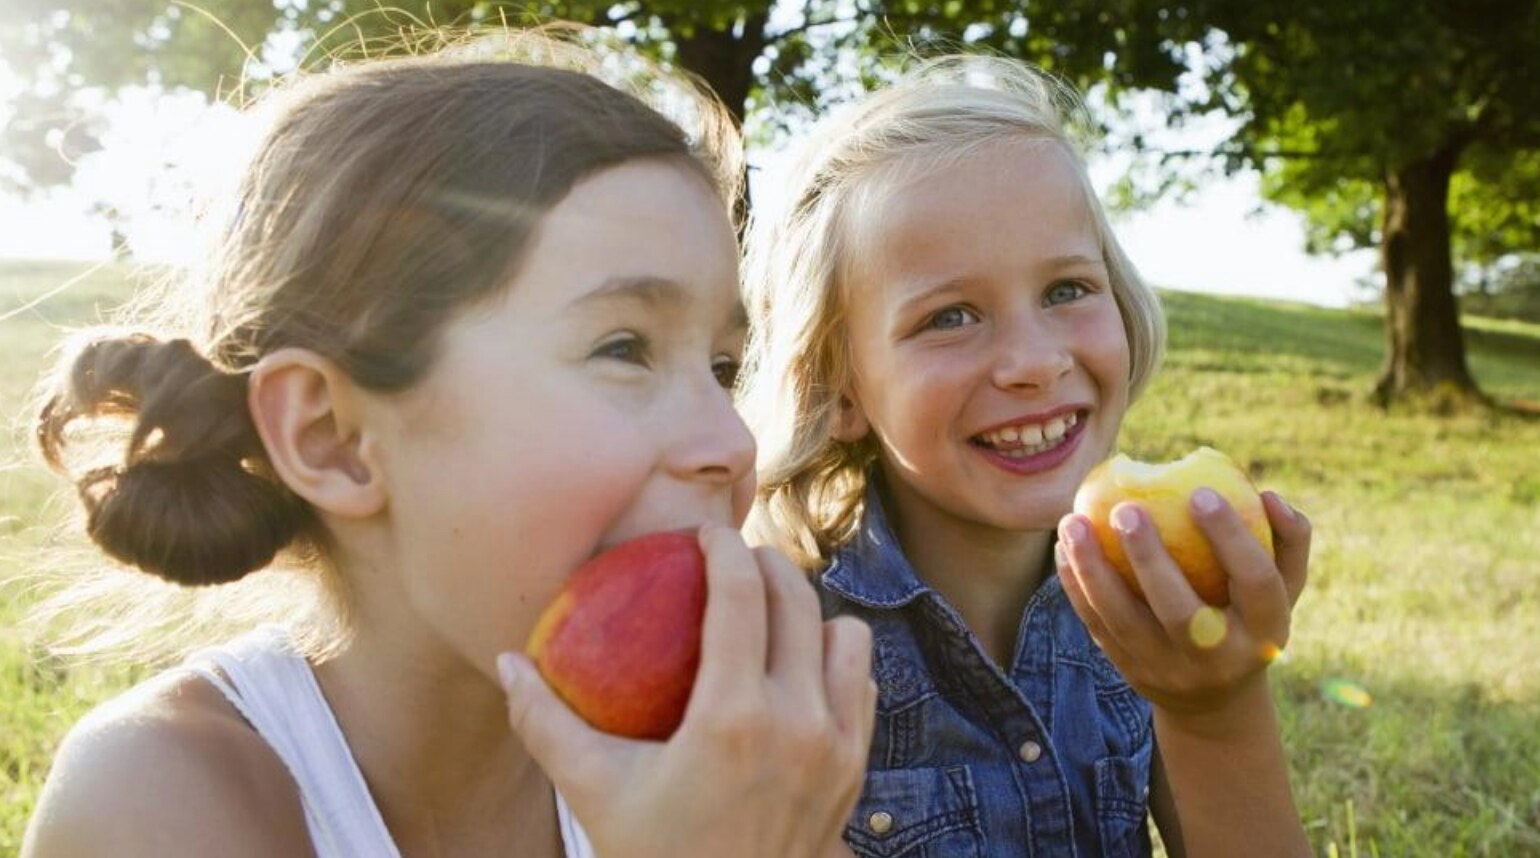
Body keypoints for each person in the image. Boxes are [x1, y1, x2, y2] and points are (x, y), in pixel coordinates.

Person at [21, 32, 876, 858]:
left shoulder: (710, 764)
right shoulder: (161, 795)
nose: (730, 443)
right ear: (333, 438)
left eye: (723, 367)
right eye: (624, 349)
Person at [739, 55, 1313, 858]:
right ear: (840, 390)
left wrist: (1218, 707)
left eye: (1066, 291)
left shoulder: (1152, 601)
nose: (1035, 362)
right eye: (950, 317)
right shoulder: (778, 646)